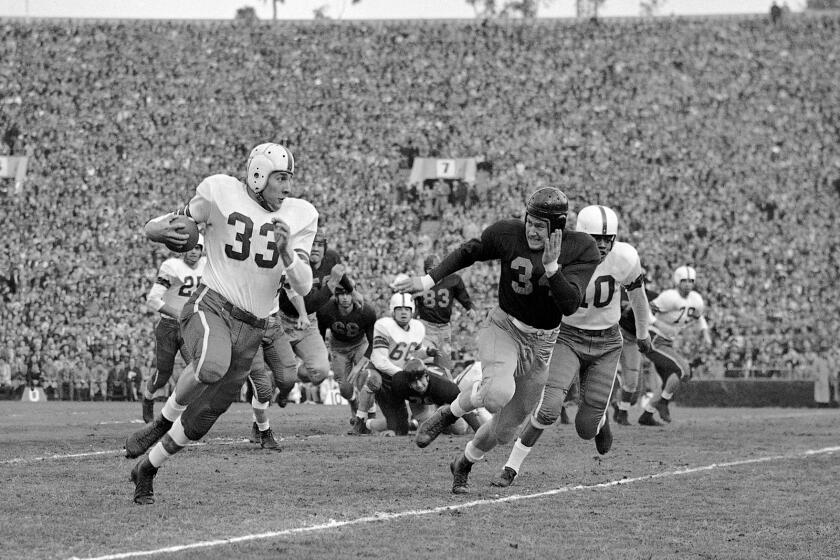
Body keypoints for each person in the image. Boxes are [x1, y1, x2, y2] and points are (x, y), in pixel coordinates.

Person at [124, 142, 317, 505]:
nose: (288, 187)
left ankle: (147, 468)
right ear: (258, 175)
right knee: (211, 365)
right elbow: (159, 224)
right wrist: (157, 232)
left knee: (203, 419)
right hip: (212, 305)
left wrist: (287, 251)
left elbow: (304, 284)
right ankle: (163, 420)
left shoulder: (302, 214)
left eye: (290, 178)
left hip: (256, 326)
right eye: (280, 178)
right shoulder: (220, 190)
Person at [394, 187, 599, 494]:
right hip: (504, 328)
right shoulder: (508, 233)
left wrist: (553, 267)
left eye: (540, 225)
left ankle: (463, 463)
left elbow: (570, 303)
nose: (531, 229)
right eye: (530, 221)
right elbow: (469, 251)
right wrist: (427, 280)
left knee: (504, 431)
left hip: (542, 345)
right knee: (496, 395)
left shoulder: (582, 249)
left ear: (557, 226)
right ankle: (449, 412)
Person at [492, 205, 653, 487]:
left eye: (607, 239)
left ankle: (601, 421)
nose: (602, 245)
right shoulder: (561, 254)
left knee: (585, 427)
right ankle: (511, 467)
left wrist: (642, 333)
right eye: (596, 238)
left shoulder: (625, 257)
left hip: (607, 343)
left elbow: (638, 298)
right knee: (549, 408)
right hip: (567, 336)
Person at [349, 292, 464, 436]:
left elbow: (414, 350)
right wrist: (403, 374)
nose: (403, 312)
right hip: (382, 374)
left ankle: (372, 424)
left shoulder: (417, 327)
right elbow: (380, 361)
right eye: (399, 309)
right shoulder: (384, 326)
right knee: (373, 381)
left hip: (402, 377)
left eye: (407, 309)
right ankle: (360, 419)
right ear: (393, 310)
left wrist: (427, 352)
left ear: (412, 311)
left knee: (400, 428)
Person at [633, 265, 713, 425]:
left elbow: (699, 317)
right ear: (677, 281)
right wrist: (658, 323)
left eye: (691, 281)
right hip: (654, 338)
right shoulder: (669, 296)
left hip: (667, 342)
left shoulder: (696, 299)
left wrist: (705, 333)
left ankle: (647, 415)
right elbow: (645, 310)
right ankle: (663, 403)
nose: (688, 284)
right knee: (683, 370)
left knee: (671, 379)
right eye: (684, 280)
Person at [139, 236, 206, 422]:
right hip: (168, 326)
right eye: (190, 247)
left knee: (196, 369)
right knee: (163, 375)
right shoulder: (171, 266)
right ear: (182, 249)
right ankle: (148, 398)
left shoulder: (207, 265)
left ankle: (184, 409)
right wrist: (178, 314)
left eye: (198, 247)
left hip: (190, 326)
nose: (194, 251)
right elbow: (153, 299)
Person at [316, 284, 378, 423]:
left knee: (365, 376)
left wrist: (358, 366)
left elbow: (373, 343)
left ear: (354, 294)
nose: (345, 297)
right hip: (338, 348)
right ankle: (354, 402)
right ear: (335, 296)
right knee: (345, 388)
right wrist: (322, 353)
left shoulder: (366, 310)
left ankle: (372, 413)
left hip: (360, 345)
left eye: (348, 293)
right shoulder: (326, 309)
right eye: (341, 294)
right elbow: (319, 335)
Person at [414, 254, 476, 370]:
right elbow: (410, 303)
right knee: (424, 362)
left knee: (444, 366)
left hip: (444, 330)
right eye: (430, 269)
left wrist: (469, 307)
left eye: (436, 268)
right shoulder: (420, 283)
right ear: (425, 270)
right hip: (426, 328)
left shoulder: (454, 280)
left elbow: (463, 296)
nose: (433, 272)